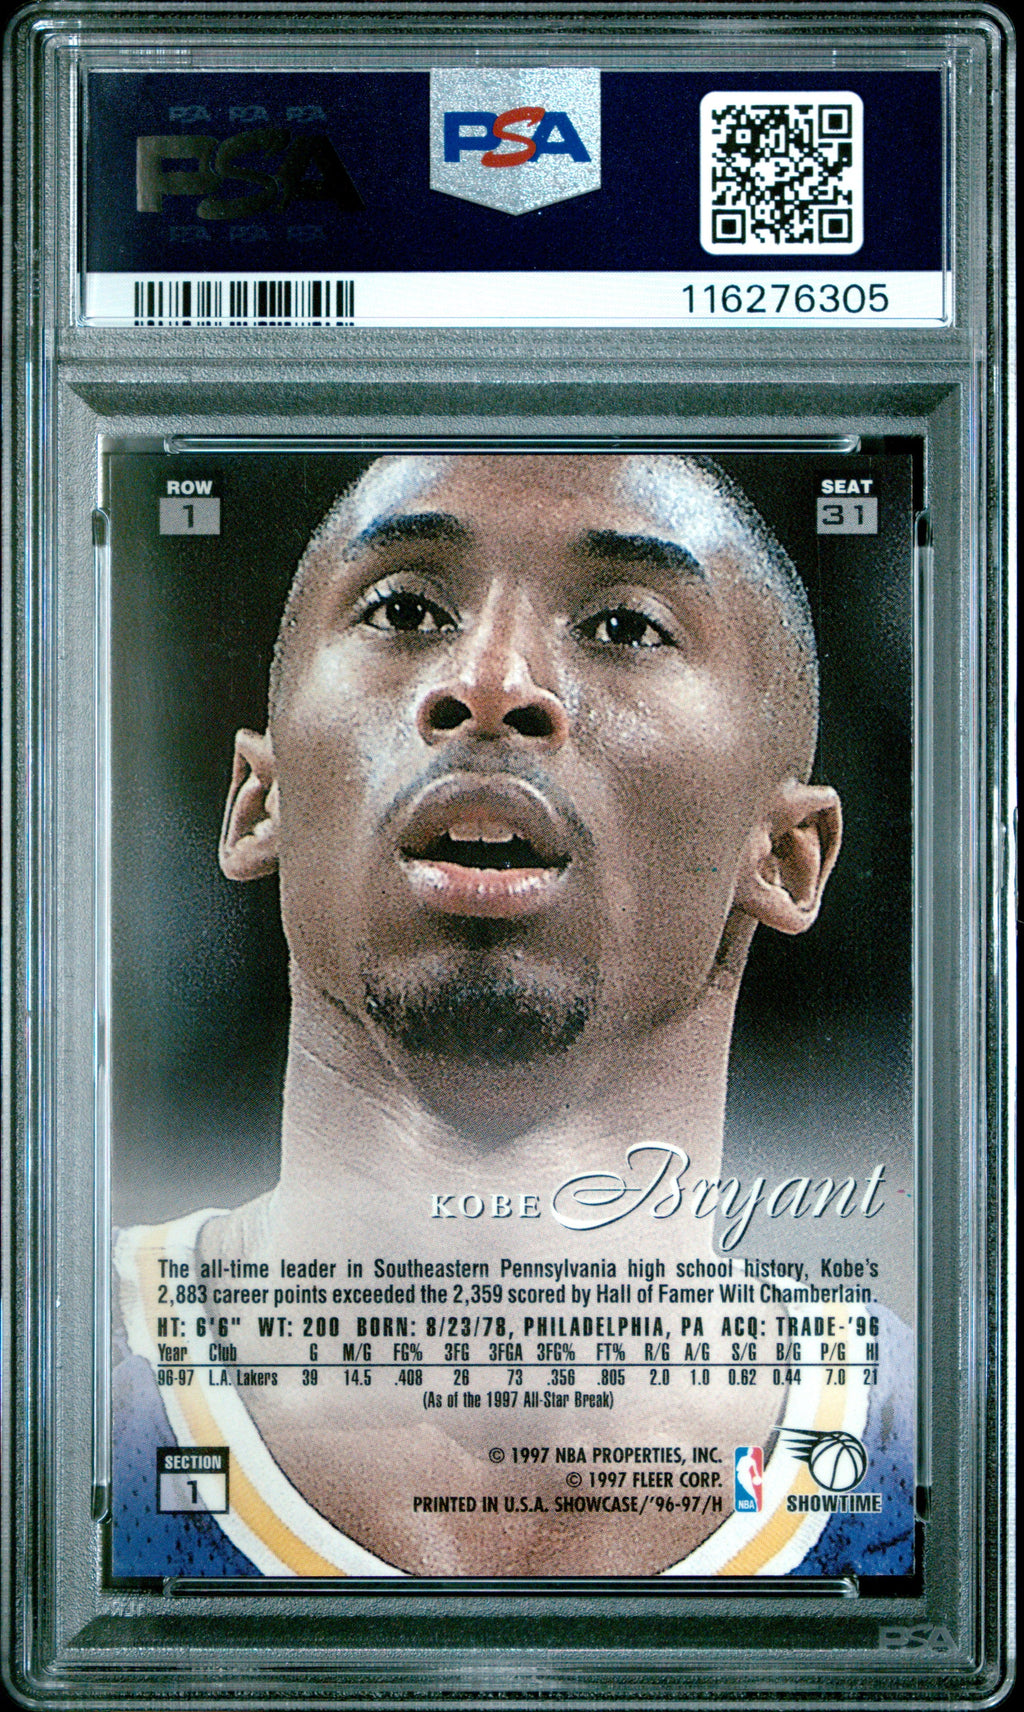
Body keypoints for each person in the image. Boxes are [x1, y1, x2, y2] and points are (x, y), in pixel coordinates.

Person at [112, 454, 913, 1580]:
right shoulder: (42, 1383)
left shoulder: (952, 1457)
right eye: (405, 610)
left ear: (784, 855)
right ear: (259, 800)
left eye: (624, 628)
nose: (490, 682)